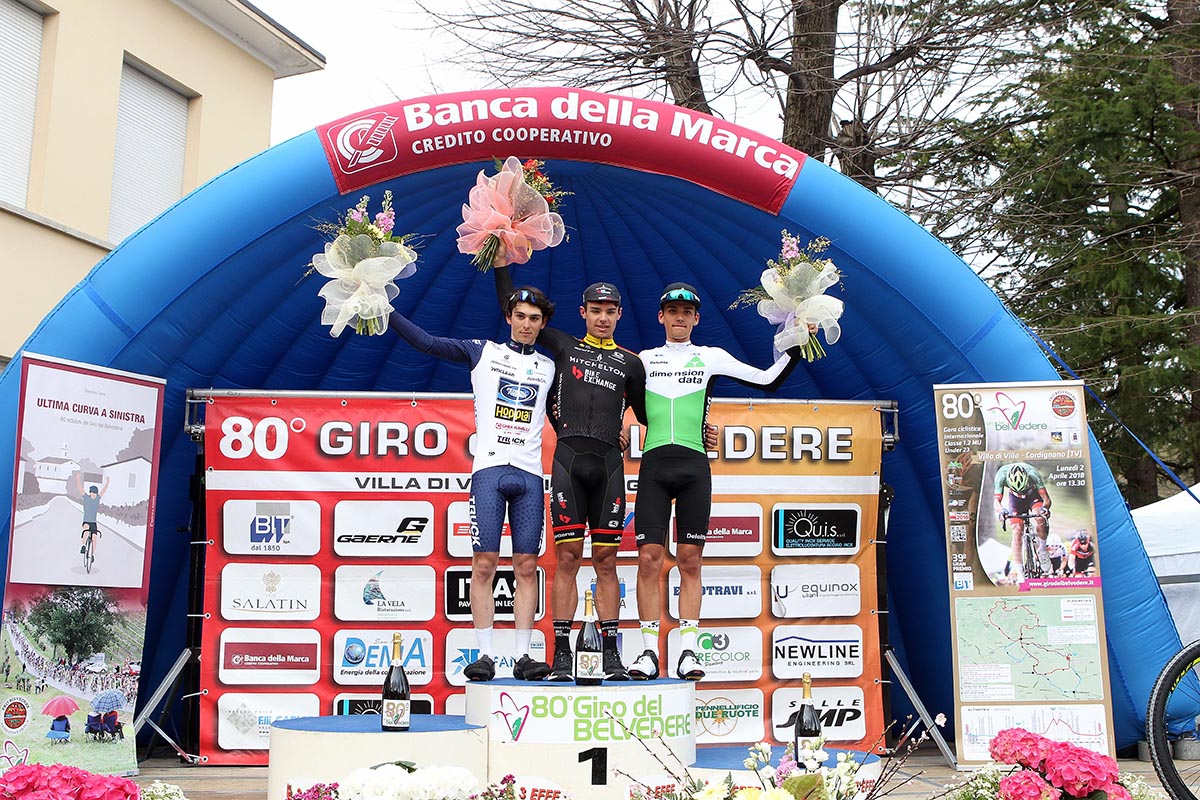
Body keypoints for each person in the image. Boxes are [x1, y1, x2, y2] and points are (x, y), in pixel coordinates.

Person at [631, 283, 801, 681]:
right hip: (654, 467)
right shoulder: (644, 360)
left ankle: (688, 651)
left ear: (696, 319)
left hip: (694, 467)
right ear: (661, 317)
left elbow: (767, 380)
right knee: (649, 558)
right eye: (672, 311)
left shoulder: (711, 357)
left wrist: (798, 340)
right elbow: (616, 405)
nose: (679, 317)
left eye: (686, 312)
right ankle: (647, 652)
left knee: (690, 560)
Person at [388, 286, 557, 681]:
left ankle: (522, 656)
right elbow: (427, 343)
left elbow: (576, 408)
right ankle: (485, 655)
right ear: (508, 317)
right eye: (520, 316)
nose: (526, 324)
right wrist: (385, 310)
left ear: (543, 324)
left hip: (530, 475)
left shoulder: (549, 367)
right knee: (483, 564)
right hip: (490, 472)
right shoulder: (483, 352)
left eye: (534, 319)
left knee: (527, 565)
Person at [494, 266, 647, 681]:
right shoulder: (563, 345)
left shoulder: (632, 364)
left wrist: (697, 428)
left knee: (607, 560)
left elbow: (653, 416)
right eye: (595, 310)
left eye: (610, 311)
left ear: (619, 314)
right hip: (568, 463)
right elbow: (512, 301)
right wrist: (501, 260)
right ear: (583, 312)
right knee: (567, 559)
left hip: (609, 467)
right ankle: (562, 653)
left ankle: (611, 655)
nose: (602, 318)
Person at [993, 461, 1052, 580]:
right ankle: (1020, 574)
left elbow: (1046, 499)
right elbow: (996, 502)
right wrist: (1001, 511)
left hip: (1032, 495)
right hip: (1015, 501)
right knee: (1016, 531)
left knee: (1040, 518)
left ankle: (1042, 549)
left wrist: (1045, 509)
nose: (1021, 492)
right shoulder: (1001, 475)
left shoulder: (1033, 474)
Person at [75, 475, 109, 559]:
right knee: (86, 530)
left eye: (95, 493)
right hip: (86, 521)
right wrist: (78, 479)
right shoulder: (86, 498)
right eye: (92, 493)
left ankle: (92, 555)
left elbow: (103, 491)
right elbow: (80, 489)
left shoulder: (97, 499)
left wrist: (107, 482)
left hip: (93, 523)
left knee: (94, 538)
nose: (94, 495)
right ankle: (83, 546)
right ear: (90, 493)